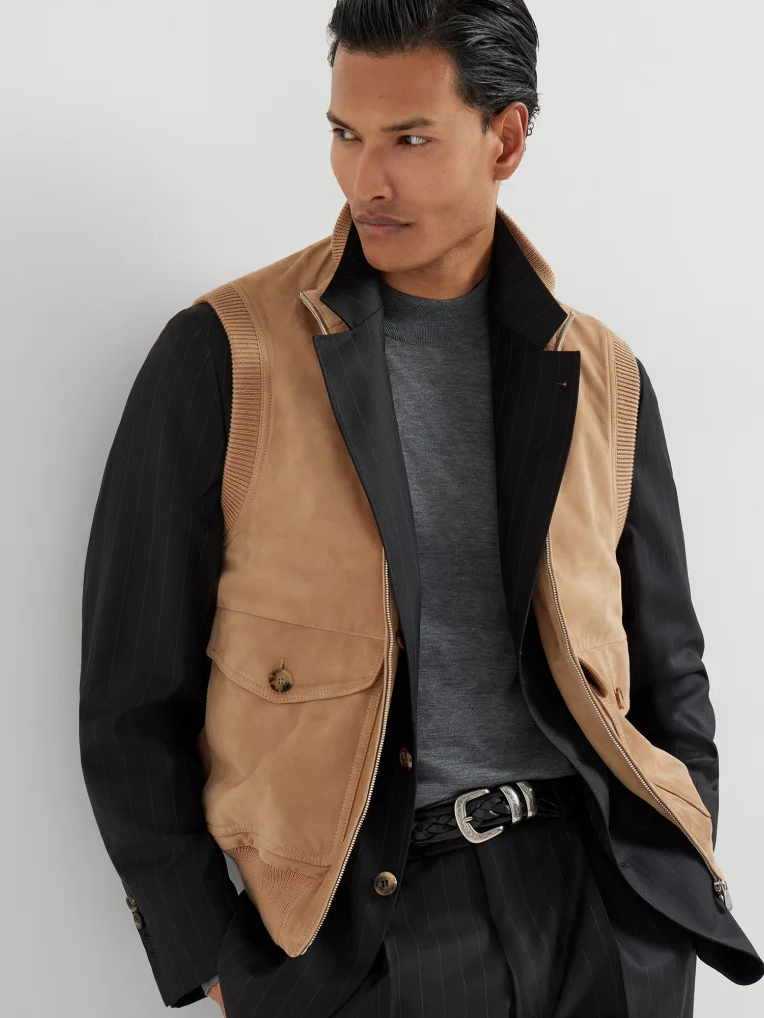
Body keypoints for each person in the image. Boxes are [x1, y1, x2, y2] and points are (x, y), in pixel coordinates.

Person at [78, 2, 763, 1016]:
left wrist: (674, 865)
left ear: (506, 138)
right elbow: (130, 699)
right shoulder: (226, 359)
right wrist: (216, 958)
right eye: (344, 134)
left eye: (407, 140)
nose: (365, 181)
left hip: (600, 914)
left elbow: (668, 670)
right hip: (369, 940)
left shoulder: (601, 376)